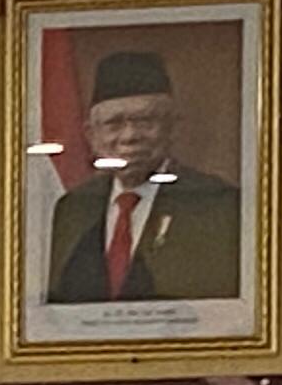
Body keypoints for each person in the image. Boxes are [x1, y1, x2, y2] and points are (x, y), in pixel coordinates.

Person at [44, 47, 244, 305]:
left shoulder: (216, 203)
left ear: (171, 128)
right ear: (91, 136)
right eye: (114, 124)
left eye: (145, 121)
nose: (130, 136)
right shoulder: (73, 209)